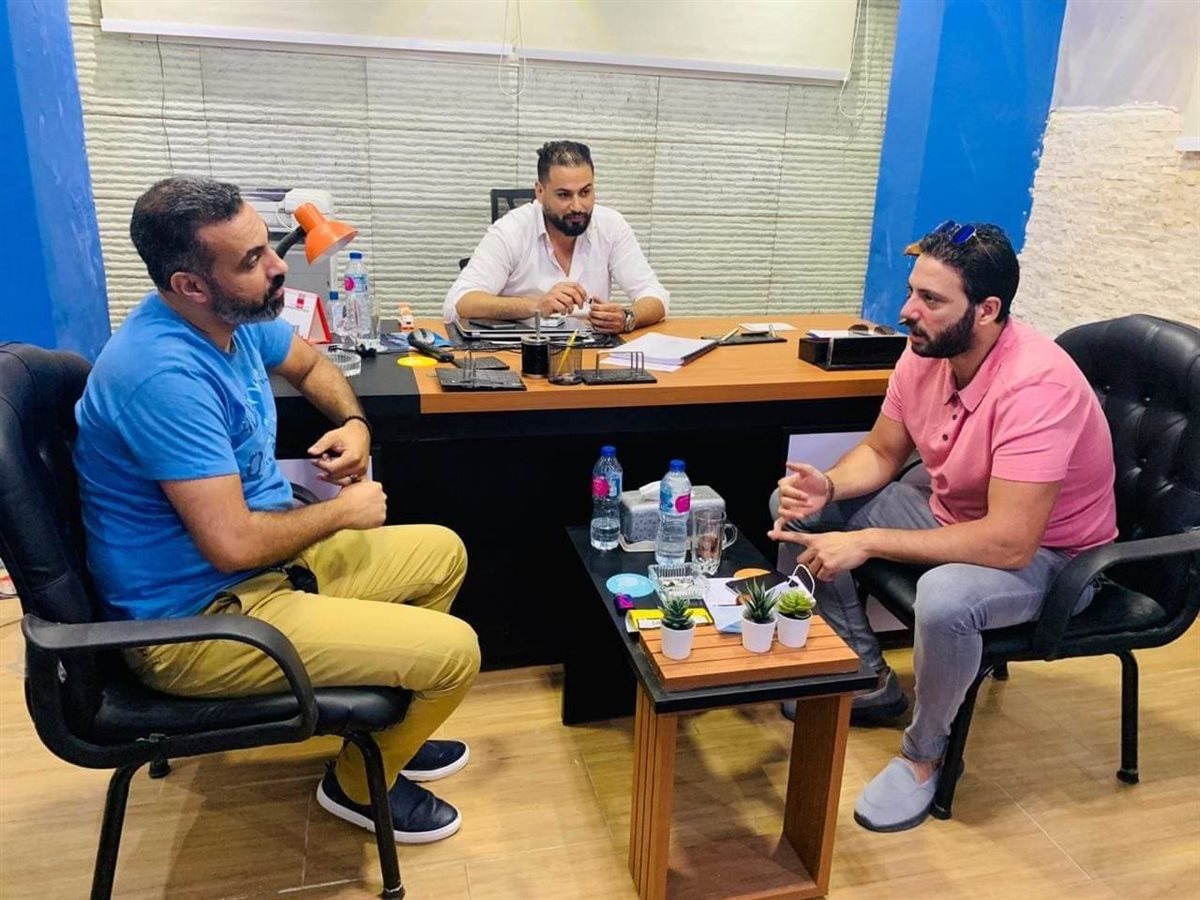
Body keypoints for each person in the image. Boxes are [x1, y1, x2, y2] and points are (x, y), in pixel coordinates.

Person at [74, 177, 480, 845]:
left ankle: (384, 737)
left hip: (260, 574)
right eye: (251, 260)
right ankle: (358, 786)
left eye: (268, 246)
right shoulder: (161, 375)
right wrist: (342, 512)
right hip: (197, 624)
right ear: (190, 285)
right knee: (456, 653)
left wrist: (355, 424)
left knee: (442, 551)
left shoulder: (232, 322)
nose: (277, 266)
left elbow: (310, 365)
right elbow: (232, 544)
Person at [768, 221, 1116, 833]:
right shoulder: (926, 350)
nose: (907, 311)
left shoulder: (1037, 386)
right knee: (798, 506)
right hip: (954, 515)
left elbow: (1009, 542)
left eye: (930, 299)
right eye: (912, 292)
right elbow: (882, 452)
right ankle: (865, 680)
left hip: (1055, 558)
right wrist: (829, 486)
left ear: (987, 310)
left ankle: (924, 755)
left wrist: (867, 540)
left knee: (947, 597)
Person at [444, 140, 669, 334]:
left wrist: (628, 318)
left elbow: (655, 296)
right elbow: (457, 303)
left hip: (593, 351)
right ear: (540, 192)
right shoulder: (511, 230)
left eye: (585, 192)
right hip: (525, 351)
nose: (577, 206)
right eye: (564, 195)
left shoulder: (611, 226)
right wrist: (535, 306)